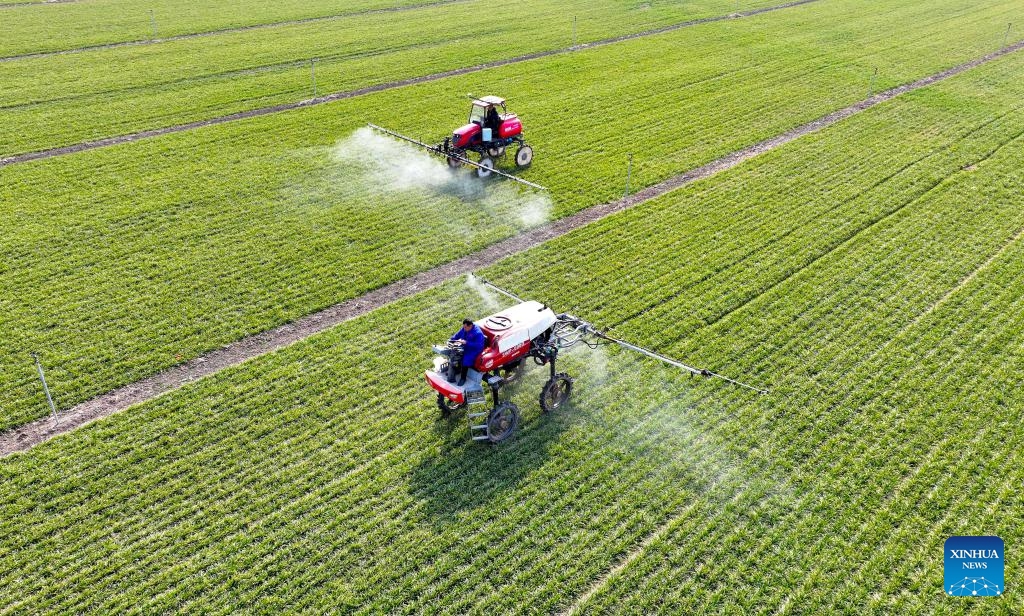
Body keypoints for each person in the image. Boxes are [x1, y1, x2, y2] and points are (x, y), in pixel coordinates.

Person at [449, 318, 486, 386]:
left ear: (470, 326)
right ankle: (457, 369)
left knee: (465, 360)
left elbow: (478, 345)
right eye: (463, 326)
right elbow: (458, 334)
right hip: (466, 345)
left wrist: (467, 342)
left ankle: (463, 378)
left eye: (465, 327)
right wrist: (451, 340)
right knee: (455, 353)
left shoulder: (478, 333)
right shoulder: (465, 328)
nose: (464, 328)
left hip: (474, 350)